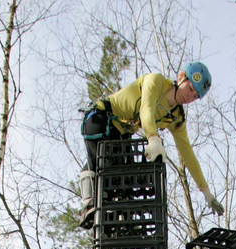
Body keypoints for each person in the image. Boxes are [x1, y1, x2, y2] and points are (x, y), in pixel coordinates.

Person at [78, 61, 225, 229]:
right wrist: (153, 137)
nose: (189, 97)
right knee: (101, 165)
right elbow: (146, 109)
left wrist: (206, 193)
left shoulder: (175, 117)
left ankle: (118, 220)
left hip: (121, 135)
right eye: (190, 89)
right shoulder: (156, 82)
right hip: (101, 119)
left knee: (123, 181)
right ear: (182, 77)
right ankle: (89, 204)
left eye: (195, 96)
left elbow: (187, 152)